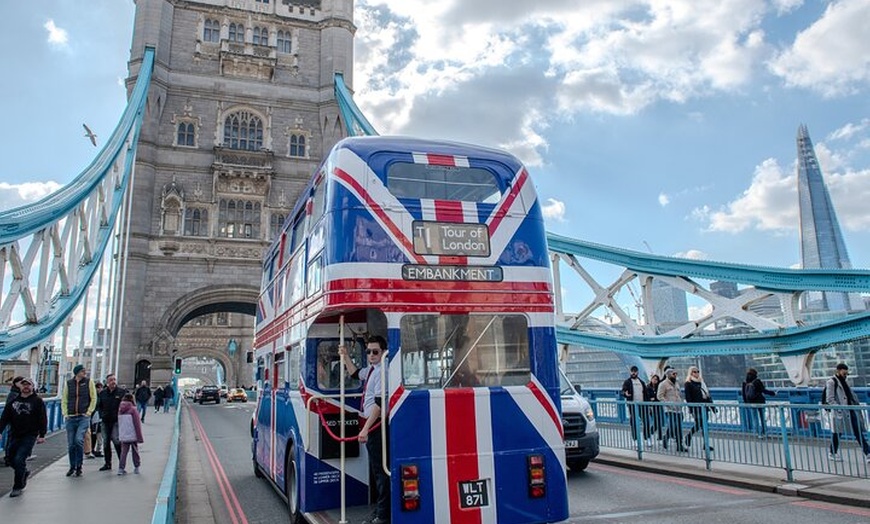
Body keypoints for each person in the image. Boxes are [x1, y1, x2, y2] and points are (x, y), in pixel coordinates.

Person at [338, 335, 390, 524]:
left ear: (383, 352)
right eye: (368, 351)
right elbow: (354, 373)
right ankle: (380, 511)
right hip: (371, 425)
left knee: (381, 471)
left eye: (375, 351)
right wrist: (345, 356)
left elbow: (379, 404)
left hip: (376, 426)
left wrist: (366, 429)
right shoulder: (372, 370)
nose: (371, 355)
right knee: (377, 470)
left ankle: (383, 515)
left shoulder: (382, 371)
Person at [0, 377, 47, 497]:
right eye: (24, 385)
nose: (26, 387)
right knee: (10, 459)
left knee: (20, 459)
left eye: (28, 385)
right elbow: (5, 417)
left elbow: (42, 418)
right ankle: (24, 472)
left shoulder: (37, 401)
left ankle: (17, 486)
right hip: (15, 434)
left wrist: (42, 434)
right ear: (20, 387)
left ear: (32, 387)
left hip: (29, 435)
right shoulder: (13, 401)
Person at [826, 363, 870, 463]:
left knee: (857, 430)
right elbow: (830, 399)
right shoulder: (831, 382)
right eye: (844, 372)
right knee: (837, 432)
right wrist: (839, 408)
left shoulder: (844, 381)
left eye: (846, 373)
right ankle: (832, 452)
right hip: (841, 411)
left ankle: (868, 453)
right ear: (838, 370)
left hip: (851, 410)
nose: (846, 375)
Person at [62, 364, 97, 477]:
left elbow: (94, 398)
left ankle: (79, 466)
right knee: (71, 444)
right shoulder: (69, 383)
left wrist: (89, 412)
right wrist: (65, 414)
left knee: (78, 440)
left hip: (83, 417)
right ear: (77, 372)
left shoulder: (89, 382)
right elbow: (64, 399)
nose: (84, 373)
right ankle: (72, 466)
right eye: (82, 371)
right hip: (71, 417)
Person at [96, 373, 128, 471]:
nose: (113, 382)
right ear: (107, 382)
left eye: (114, 379)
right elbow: (99, 406)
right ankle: (107, 463)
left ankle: (121, 464)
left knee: (116, 441)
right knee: (106, 443)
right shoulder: (103, 393)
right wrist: (102, 415)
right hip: (105, 421)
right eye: (111, 380)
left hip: (116, 420)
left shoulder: (122, 392)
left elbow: (127, 405)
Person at [683, 366, 716, 451]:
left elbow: (707, 395)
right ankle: (689, 436)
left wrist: (713, 407)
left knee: (704, 425)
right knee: (699, 424)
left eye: (697, 371)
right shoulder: (688, 383)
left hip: (704, 407)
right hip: (696, 407)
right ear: (690, 373)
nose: (696, 373)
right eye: (694, 372)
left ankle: (705, 444)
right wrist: (691, 408)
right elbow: (688, 398)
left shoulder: (701, 382)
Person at [656, 366, 687, 452]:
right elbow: (659, 396)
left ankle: (679, 445)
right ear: (668, 374)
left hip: (678, 409)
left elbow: (679, 394)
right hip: (669, 409)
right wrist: (667, 403)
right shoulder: (663, 384)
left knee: (679, 427)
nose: (675, 375)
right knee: (673, 425)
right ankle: (666, 437)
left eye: (676, 374)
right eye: (673, 374)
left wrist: (681, 402)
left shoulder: (676, 383)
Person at [742, 368, 775, 437]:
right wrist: (772, 393)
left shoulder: (745, 382)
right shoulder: (757, 381)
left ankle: (758, 433)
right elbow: (763, 390)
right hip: (760, 401)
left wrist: (746, 402)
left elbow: (744, 394)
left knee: (754, 418)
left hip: (751, 402)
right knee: (762, 417)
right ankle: (765, 432)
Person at [621, 366, 650, 445]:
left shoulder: (641, 382)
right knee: (634, 422)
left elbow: (646, 394)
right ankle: (636, 439)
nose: (633, 373)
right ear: (630, 372)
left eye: (635, 371)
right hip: (633, 405)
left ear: (637, 372)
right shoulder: (627, 382)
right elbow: (623, 391)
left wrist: (648, 404)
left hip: (642, 405)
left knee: (646, 421)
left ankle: (647, 438)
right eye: (632, 371)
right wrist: (625, 394)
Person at [116, 393, 144, 475]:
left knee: (123, 452)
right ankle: (136, 467)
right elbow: (137, 424)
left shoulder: (120, 409)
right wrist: (139, 437)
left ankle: (121, 469)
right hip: (133, 433)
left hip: (124, 434)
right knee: (135, 451)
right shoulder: (133, 409)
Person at [2, 376, 25, 467]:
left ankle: (11, 457)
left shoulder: (17, 393)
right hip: (14, 421)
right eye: (21, 383)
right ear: (16, 383)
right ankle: (9, 458)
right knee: (12, 439)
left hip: (16, 421)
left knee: (13, 439)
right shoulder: (14, 394)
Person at [645, 374, 664, 443]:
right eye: (654, 379)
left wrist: (654, 398)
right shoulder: (648, 387)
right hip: (651, 407)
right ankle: (649, 433)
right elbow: (648, 397)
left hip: (658, 405)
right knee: (657, 422)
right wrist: (652, 399)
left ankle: (659, 436)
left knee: (659, 421)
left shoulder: (659, 387)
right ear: (651, 379)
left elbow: (657, 397)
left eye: (656, 379)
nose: (655, 380)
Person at [87, 382, 105, 459]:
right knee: (94, 434)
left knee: (99, 434)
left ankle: (98, 450)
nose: (100, 389)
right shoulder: (94, 397)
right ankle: (92, 449)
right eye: (99, 388)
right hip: (95, 417)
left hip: (100, 417)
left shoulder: (103, 396)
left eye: (101, 388)